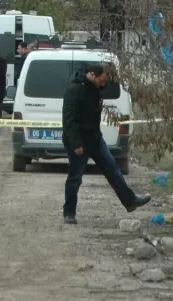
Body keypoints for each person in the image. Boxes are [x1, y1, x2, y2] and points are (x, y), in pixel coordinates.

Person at [61, 63, 151, 225]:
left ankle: (130, 201)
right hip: (78, 141)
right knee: (75, 178)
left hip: (95, 139)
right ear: (93, 75)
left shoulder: (96, 89)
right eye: (102, 81)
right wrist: (76, 144)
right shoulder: (74, 91)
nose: (104, 84)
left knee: (113, 170)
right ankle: (69, 213)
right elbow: (69, 121)